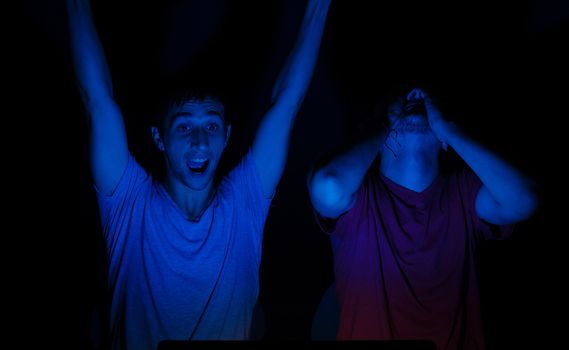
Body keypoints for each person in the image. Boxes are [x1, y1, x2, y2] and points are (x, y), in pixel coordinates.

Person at [67, 0, 331, 348]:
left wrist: (319, 8)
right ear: (159, 139)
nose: (199, 141)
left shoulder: (244, 201)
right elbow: (96, 99)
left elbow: (287, 101)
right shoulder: (129, 202)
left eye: (210, 125)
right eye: (184, 127)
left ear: (226, 137)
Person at [307, 85, 539, 349]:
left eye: (423, 108)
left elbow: (524, 200)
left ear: (443, 140)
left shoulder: (464, 193)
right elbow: (328, 185)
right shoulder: (360, 197)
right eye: (403, 106)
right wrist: (383, 124)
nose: (413, 99)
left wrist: (451, 131)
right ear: (379, 138)